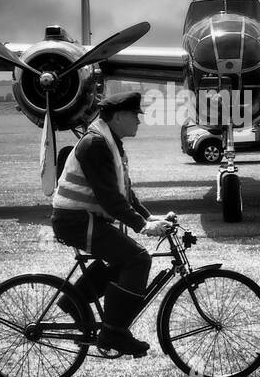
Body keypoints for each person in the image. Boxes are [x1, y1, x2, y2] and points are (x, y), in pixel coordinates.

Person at [50, 91, 173, 356]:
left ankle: (76, 301)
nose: (139, 121)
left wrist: (148, 217)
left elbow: (123, 191)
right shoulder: (96, 144)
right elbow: (109, 198)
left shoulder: (109, 141)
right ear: (118, 117)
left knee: (123, 261)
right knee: (138, 259)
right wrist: (142, 226)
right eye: (134, 116)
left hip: (83, 219)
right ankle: (114, 332)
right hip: (76, 221)